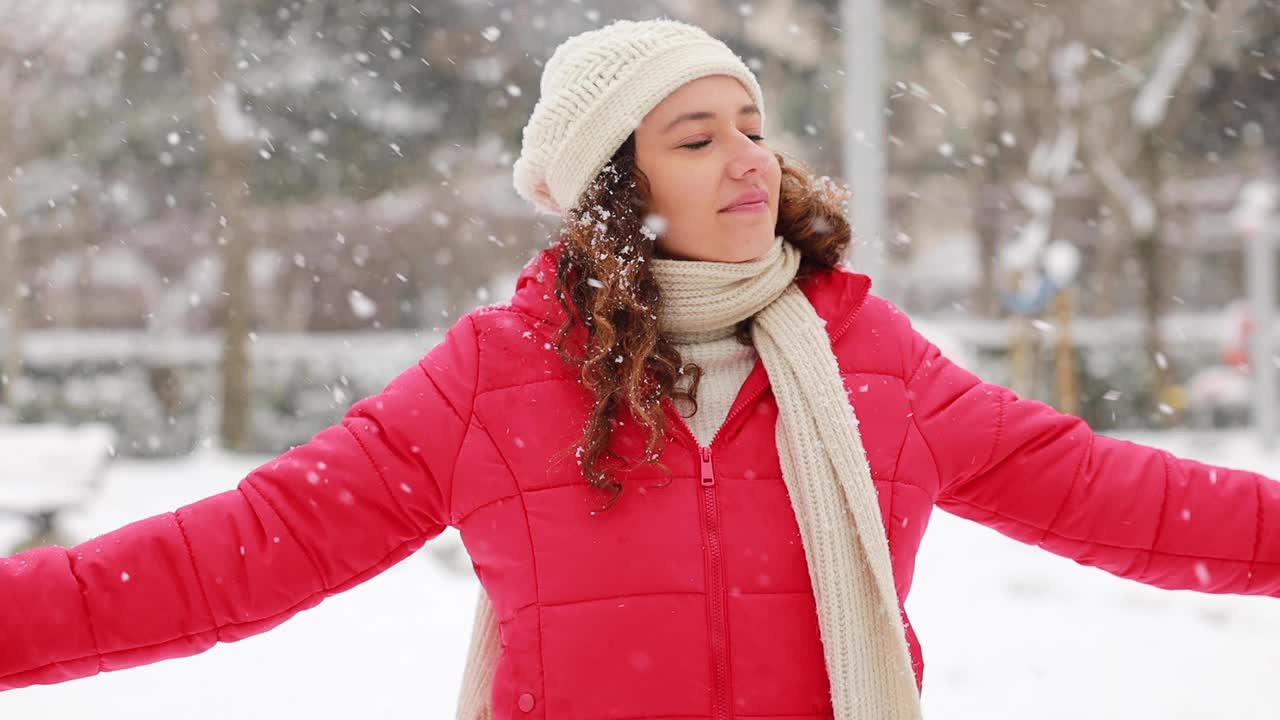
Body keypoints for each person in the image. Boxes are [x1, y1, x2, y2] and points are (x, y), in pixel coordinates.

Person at [1, 17, 1277, 720]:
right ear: (620, 184)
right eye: (695, 135)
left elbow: (1126, 499)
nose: (749, 160)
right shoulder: (491, 381)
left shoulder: (864, 360)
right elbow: (239, 550)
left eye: (754, 128)